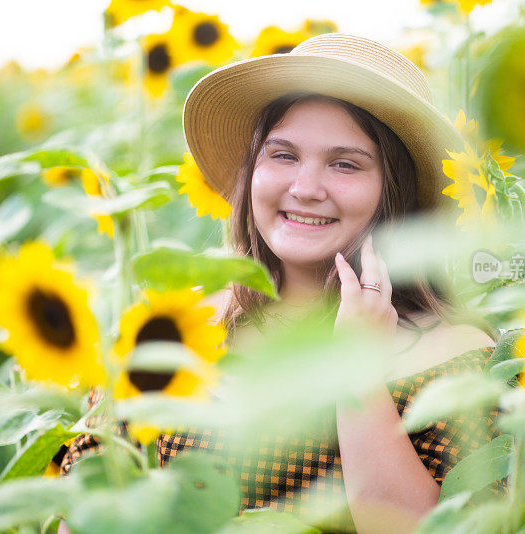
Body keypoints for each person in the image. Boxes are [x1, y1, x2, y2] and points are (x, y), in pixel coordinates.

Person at [60, 33, 498, 533]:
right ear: (251, 172)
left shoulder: (456, 358)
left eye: (345, 163)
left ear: (394, 192)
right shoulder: (175, 327)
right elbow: (86, 514)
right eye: (283, 155)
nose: (305, 189)